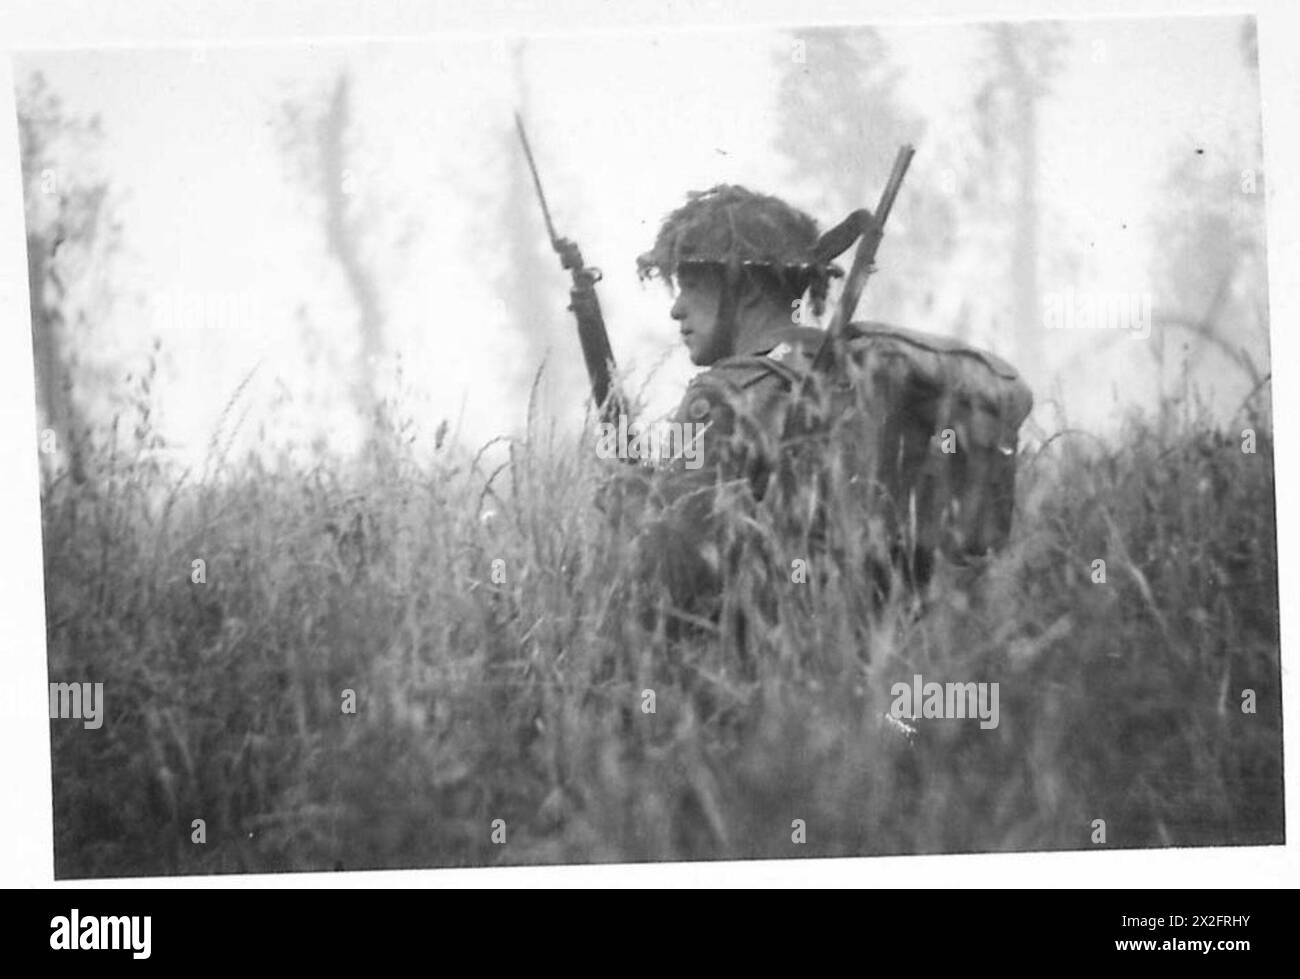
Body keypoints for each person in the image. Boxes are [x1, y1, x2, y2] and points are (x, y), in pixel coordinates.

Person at [598, 185, 848, 626]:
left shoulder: (715, 398)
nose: (676, 309)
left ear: (746, 288)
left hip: (757, 662)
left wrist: (629, 502)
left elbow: (678, 580)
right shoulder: (844, 367)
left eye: (691, 286)